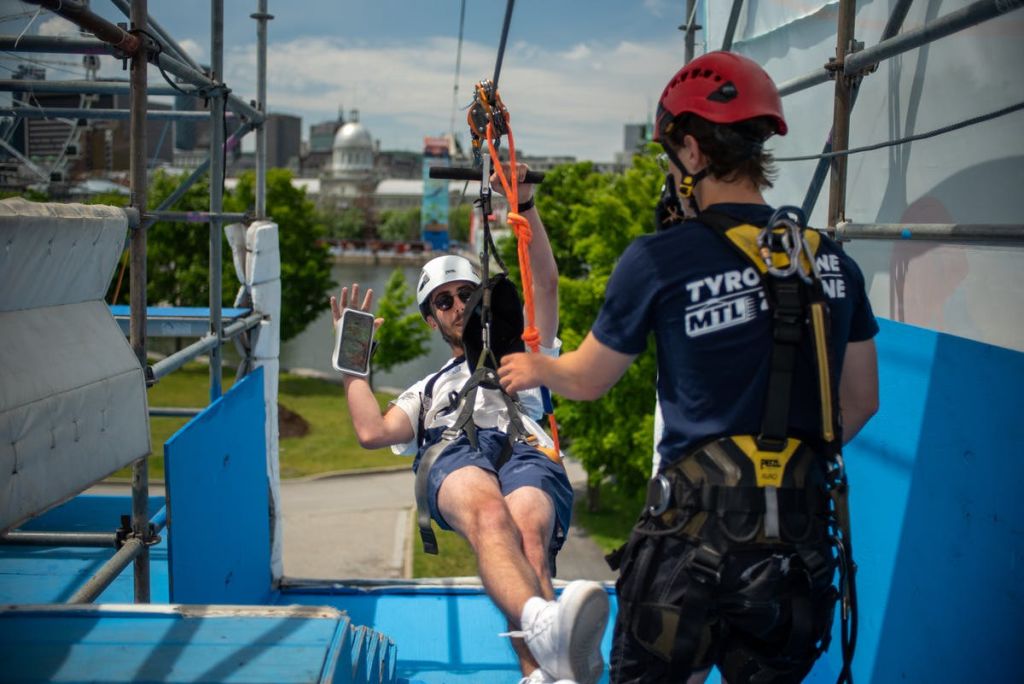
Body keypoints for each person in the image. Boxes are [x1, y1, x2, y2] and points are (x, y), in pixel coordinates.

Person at [499, 51, 880, 684]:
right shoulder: (833, 263)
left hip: (690, 547)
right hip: (798, 550)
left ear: (693, 152)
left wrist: (538, 366)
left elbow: (591, 379)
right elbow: (860, 401)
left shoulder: (660, 258)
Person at [331, 164, 609, 684]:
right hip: (454, 451)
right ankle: (548, 643)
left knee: (528, 533)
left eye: (467, 294)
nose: (458, 306)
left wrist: (524, 205)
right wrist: (353, 364)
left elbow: (544, 284)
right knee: (488, 513)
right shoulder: (427, 390)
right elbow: (372, 432)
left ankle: (545, 675)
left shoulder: (524, 352)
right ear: (431, 318)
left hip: (524, 446)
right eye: (444, 301)